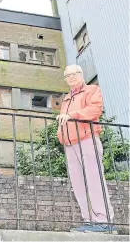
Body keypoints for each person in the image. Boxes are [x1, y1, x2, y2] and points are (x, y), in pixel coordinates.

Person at [56, 65, 115, 234]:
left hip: (87, 139)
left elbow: (95, 109)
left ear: (81, 75)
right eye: (68, 75)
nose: (71, 77)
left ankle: (104, 220)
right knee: (78, 183)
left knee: (94, 178)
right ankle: (89, 220)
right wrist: (61, 135)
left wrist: (73, 116)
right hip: (70, 144)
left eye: (74, 74)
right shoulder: (67, 98)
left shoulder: (91, 90)